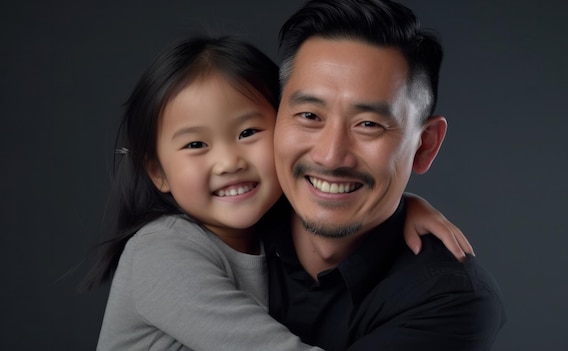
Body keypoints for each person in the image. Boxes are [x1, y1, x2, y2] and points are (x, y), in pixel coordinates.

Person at [85, 35, 474, 350]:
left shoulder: (271, 229)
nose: (228, 162)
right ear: (157, 171)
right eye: (195, 145)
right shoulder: (162, 253)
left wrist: (403, 205)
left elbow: (343, 192)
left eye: (248, 133)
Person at [265, 0, 506, 350]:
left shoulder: (450, 301)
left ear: (425, 145)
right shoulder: (212, 228)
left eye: (368, 124)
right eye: (309, 116)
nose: (331, 156)